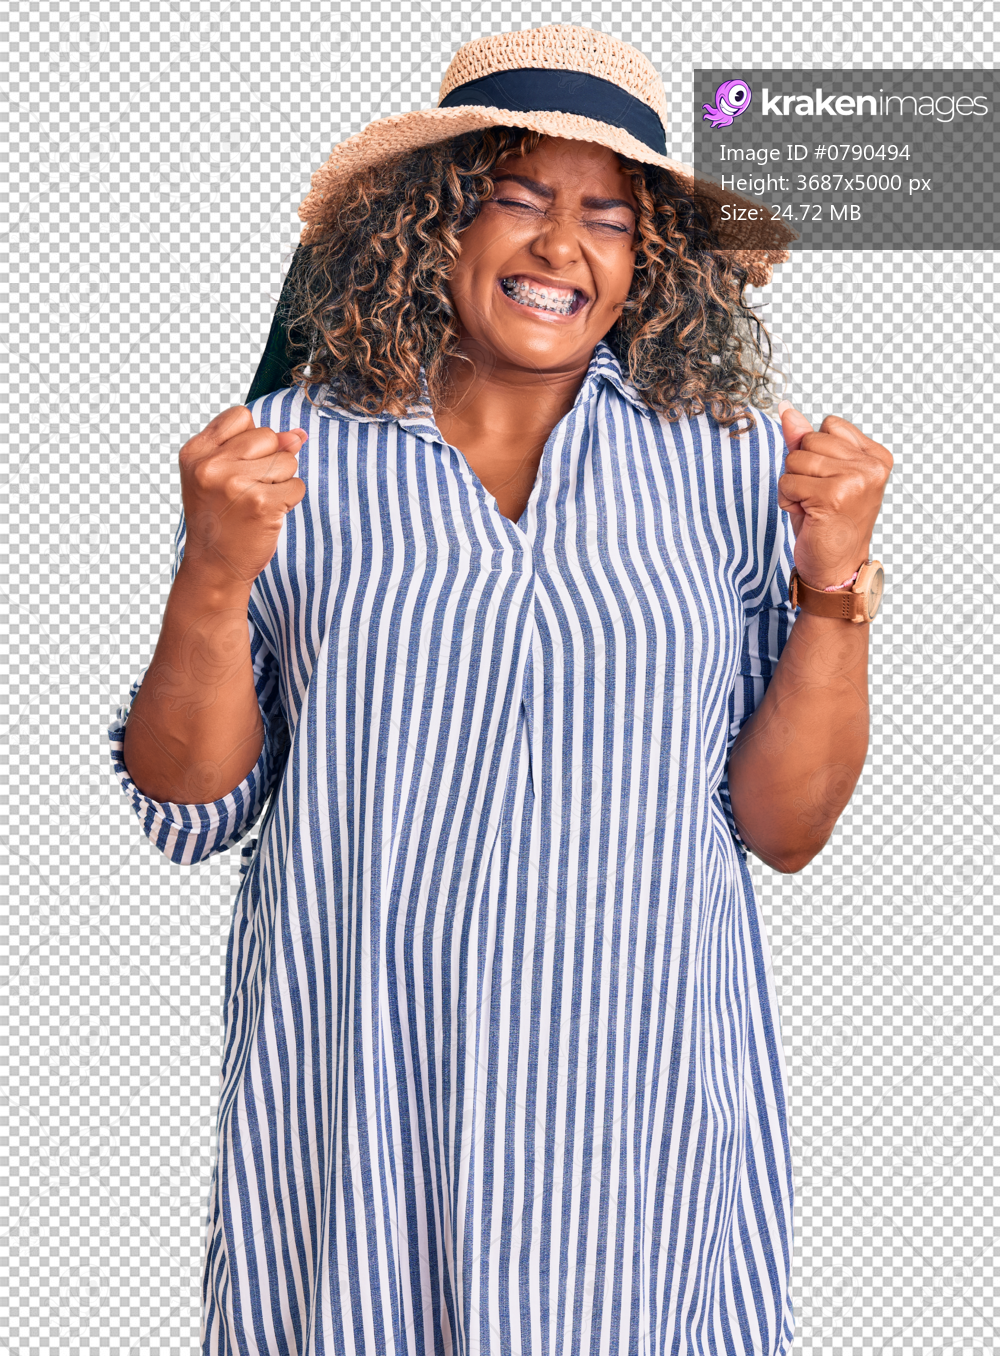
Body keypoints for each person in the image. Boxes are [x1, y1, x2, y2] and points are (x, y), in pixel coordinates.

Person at [109, 24, 892, 1356]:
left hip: (632, 1127)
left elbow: (786, 830)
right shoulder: (290, 455)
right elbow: (190, 800)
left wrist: (832, 588)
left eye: (606, 215)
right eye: (515, 197)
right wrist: (214, 574)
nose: (559, 247)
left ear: (653, 262)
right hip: (358, 1112)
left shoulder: (737, 464)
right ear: (428, 223)